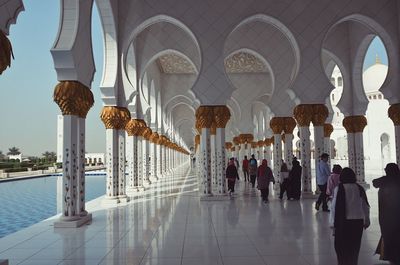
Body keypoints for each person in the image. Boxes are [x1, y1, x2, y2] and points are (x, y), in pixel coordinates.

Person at [329, 167, 370, 265]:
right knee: (354, 247)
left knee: (342, 247)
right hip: (357, 221)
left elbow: (334, 207)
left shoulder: (339, 188)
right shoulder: (359, 188)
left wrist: (332, 223)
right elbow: (365, 206)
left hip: (343, 222)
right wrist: (367, 220)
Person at [373, 163, 400, 264]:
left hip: (387, 215)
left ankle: (392, 257)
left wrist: (386, 178)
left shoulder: (385, 180)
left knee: (389, 235)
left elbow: (375, 183)